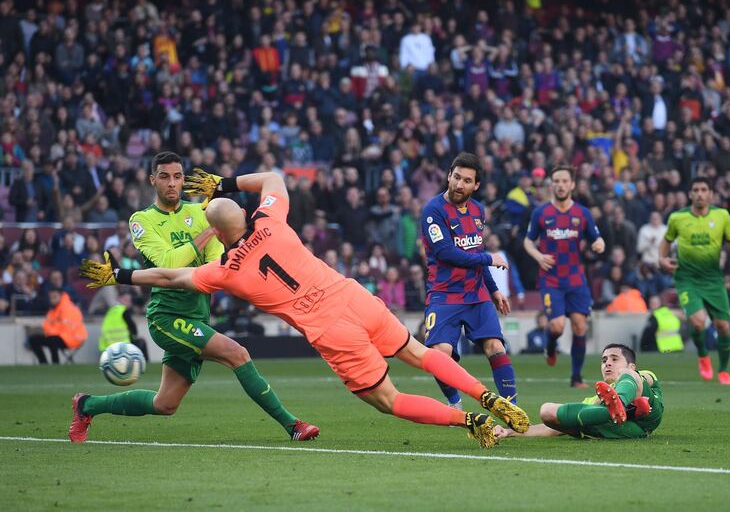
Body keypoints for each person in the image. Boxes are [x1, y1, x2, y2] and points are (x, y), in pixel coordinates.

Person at [80, 169, 531, 449]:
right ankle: (485, 394)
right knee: (417, 351)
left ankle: (468, 419)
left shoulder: (226, 268)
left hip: (329, 328)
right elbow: (274, 177)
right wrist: (224, 182)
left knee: (389, 400)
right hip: (353, 296)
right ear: (245, 211)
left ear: (216, 233)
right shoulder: (272, 220)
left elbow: (170, 276)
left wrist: (119, 275)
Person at [69, 152, 318, 444]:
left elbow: (217, 263)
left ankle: (86, 405)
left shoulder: (201, 213)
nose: (172, 183)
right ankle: (293, 425)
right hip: (167, 318)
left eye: (177, 176)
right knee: (237, 353)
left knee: (165, 404)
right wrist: (207, 233)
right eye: (164, 176)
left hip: (198, 315)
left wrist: (210, 247)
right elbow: (168, 262)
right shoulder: (142, 221)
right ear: (153, 180)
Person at [419, 153, 519, 409]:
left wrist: (494, 289)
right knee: (439, 354)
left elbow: (474, 252)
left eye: (466, 180)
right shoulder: (433, 210)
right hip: (444, 294)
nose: (459, 184)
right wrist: (489, 258)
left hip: (476, 293)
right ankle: (455, 403)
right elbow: (445, 253)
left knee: (495, 346)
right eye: (456, 177)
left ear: (476, 185)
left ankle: (511, 409)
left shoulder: (478, 210)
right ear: (449, 175)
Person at [523, 164, 606, 387]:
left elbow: (596, 238)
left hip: (576, 279)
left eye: (564, 181)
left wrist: (599, 243)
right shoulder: (541, 213)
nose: (560, 185)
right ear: (552, 185)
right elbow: (528, 241)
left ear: (572, 184)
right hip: (551, 279)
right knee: (557, 326)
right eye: (556, 181)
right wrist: (538, 256)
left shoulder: (582, 213)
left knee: (580, 326)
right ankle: (550, 347)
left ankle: (576, 378)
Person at [659, 177, 730, 384]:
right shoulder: (677, 218)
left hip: (713, 279)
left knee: (723, 326)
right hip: (687, 278)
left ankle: (723, 370)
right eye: (695, 189)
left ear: (711, 194)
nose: (699, 193)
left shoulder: (722, 215)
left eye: (704, 189)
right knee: (698, 322)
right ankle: (703, 355)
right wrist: (662, 259)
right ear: (690, 194)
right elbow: (666, 241)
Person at [494, 344, 662, 440]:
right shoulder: (593, 399)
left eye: (614, 359)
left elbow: (647, 378)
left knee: (626, 376)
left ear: (632, 365)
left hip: (648, 418)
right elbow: (552, 428)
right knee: (546, 410)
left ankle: (619, 403)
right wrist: (508, 432)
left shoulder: (638, 374)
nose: (607, 363)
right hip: (624, 430)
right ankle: (614, 410)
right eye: (604, 360)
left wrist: (621, 388)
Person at [28, 289, 88, 364]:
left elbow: (66, 327)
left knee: (53, 340)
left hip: (73, 337)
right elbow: (47, 325)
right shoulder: (53, 310)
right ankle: (43, 364)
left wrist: (50, 332)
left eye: (54, 297)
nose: (52, 299)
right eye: (51, 297)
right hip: (60, 336)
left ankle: (55, 364)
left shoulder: (68, 308)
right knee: (33, 340)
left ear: (61, 296)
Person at [98, 291, 149, 361]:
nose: (128, 303)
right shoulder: (124, 311)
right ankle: (145, 363)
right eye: (125, 300)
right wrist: (134, 335)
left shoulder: (110, 312)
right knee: (142, 341)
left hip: (107, 349)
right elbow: (133, 327)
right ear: (118, 299)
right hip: (124, 348)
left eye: (129, 301)